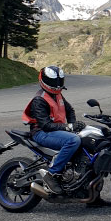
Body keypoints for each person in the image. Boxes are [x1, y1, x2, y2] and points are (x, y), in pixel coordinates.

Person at [22, 65, 85, 195]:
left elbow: (69, 110)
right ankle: (52, 174)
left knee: (86, 139)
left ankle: (88, 192)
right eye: (53, 82)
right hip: (41, 133)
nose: (56, 85)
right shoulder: (39, 99)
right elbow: (45, 125)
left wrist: (73, 125)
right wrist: (69, 127)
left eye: (58, 81)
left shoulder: (58, 95)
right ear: (44, 80)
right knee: (73, 140)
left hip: (55, 131)